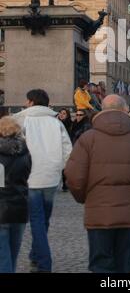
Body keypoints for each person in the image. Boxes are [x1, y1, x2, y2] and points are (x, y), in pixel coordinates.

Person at [65, 95, 130, 274]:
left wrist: (84, 198)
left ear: (102, 110)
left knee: (100, 264)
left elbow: (73, 176)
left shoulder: (88, 139)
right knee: (124, 265)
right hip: (129, 213)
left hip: (98, 213)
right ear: (125, 110)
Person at [13, 89, 72, 273]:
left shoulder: (21, 120)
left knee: (38, 220)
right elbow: (68, 151)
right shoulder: (56, 123)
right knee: (43, 219)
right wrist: (58, 167)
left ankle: (44, 262)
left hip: (31, 177)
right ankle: (35, 254)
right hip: (51, 177)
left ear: (30, 102)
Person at [0, 117, 32, 273]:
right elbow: (26, 175)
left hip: (1, 208)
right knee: (13, 254)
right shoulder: (25, 151)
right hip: (20, 206)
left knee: (3, 257)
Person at [57, 108, 73, 192]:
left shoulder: (71, 124)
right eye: (60, 113)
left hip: (66, 147)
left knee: (65, 166)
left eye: (64, 113)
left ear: (67, 115)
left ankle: (65, 183)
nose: (61, 115)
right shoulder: (55, 123)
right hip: (57, 147)